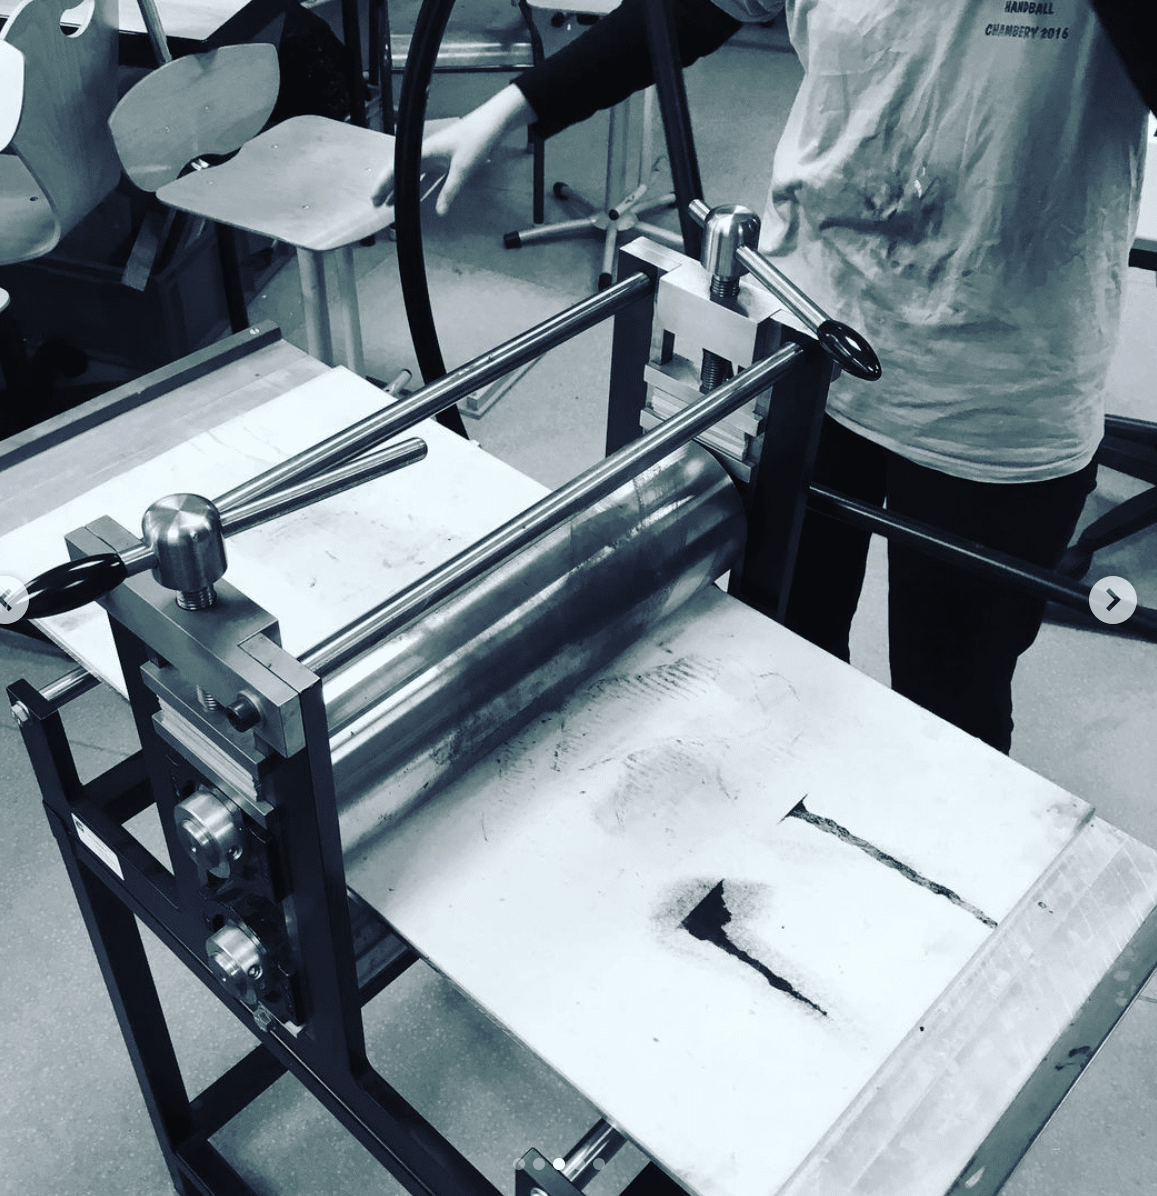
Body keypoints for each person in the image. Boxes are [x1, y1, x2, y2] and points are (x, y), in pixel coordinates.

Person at [374, 0, 1151, 754]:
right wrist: (513, 107)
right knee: (781, 654)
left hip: (999, 399)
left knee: (950, 711)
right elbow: (682, 14)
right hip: (805, 348)